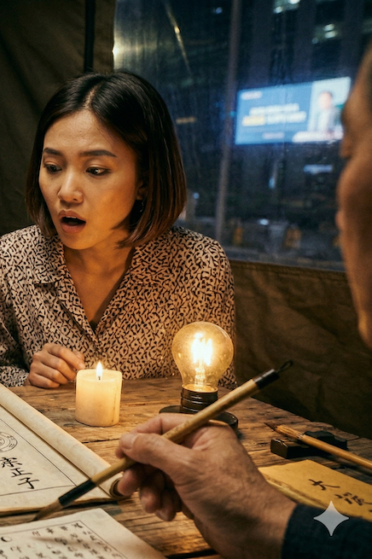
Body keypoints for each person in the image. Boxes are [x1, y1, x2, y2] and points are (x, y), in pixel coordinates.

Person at [115, 49, 372, 558]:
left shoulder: (197, 260)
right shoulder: (15, 256)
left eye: (351, 151)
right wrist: (263, 518)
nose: (337, 206)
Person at [0, 71, 235, 389]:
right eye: (53, 168)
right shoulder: (10, 258)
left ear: (144, 180)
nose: (67, 192)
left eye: (96, 170)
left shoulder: (199, 264)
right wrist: (27, 380)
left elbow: (220, 388)